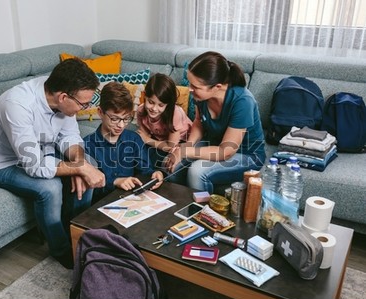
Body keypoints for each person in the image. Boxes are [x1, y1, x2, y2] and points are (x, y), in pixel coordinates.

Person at [0, 58, 106, 269]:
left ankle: (76, 236)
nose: (86, 108)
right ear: (63, 97)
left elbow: (70, 136)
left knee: (89, 162)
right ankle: (62, 251)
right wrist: (79, 168)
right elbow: (34, 166)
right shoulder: (18, 105)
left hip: (39, 150)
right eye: (83, 104)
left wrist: (79, 163)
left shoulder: (61, 95)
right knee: (50, 188)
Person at [165, 51, 266, 193]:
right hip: (215, 145)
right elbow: (199, 122)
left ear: (217, 87)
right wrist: (185, 146)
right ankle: (178, 206)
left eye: (195, 87)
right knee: (170, 163)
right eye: (190, 84)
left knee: (197, 171)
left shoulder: (242, 101)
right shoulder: (201, 96)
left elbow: (226, 152)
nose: (190, 89)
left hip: (247, 155)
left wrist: (185, 151)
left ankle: (201, 212)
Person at [84, 81, 163, 203]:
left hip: (132, 202)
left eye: (126, 118)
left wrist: (155, 174)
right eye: (115, 119)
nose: (121, 125)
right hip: (100, 207)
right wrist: (115, 182)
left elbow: (145, 170)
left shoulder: (134, 139)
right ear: (100, 112)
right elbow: (88, 188)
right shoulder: (87, 145)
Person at [137, 73, 193, 169]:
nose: (154, 108)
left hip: (182, 142)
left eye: (161, 105)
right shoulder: (141, 111)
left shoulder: (175, 113)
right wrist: (145, 140)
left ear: (167, 104)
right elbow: (142, 137)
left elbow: (170, 146)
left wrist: (147, 140)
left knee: (164, 162)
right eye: (151, 102)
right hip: (161, 141)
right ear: (145, 96)